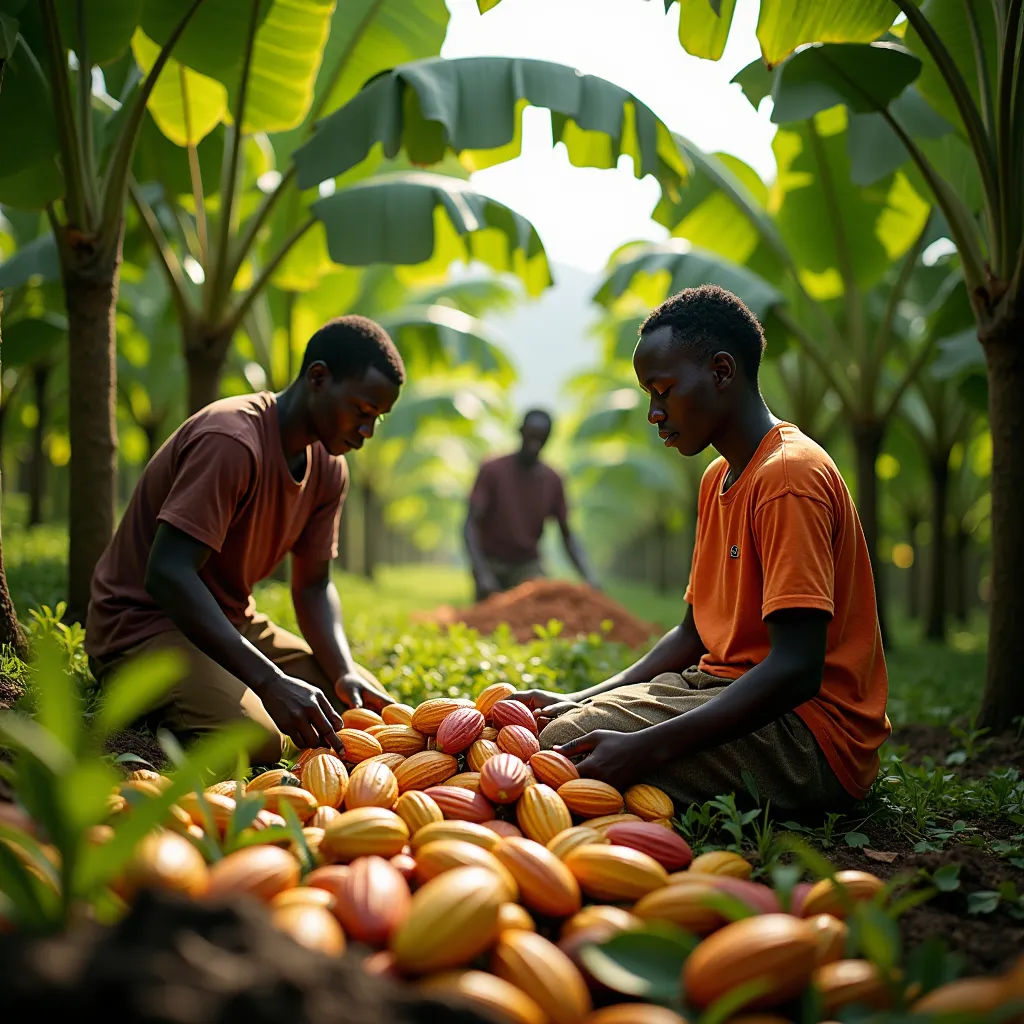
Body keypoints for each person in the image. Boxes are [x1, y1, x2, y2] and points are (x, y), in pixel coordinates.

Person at [517, 286, 889, 817]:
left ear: (720, 371)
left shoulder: (788, 477)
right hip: (720, 688)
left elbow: (797, 669)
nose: (653, 413)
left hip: (808, 736)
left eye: (663, 390)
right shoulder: (719, 478)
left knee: (561, 751)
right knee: (562, 726)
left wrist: (647, 747)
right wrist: (583, 695)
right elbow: (693, 633)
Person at [86, 316, 403, 764]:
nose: (367, 432)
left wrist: (344, 670)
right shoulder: (231, 440)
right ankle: (159, 701)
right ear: (317, 378)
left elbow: (312, 586)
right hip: (145, 628)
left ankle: (228, 683)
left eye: (377, 419)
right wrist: (270, 681)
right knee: (260, 739)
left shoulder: (330, 468)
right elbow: (167, 573)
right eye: (362, 412)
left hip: (228, 623)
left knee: (363, 709)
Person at [464, 409, 597, 602]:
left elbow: (567, 535)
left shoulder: (553, 480)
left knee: (539, 608)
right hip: (491, 562)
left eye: (541, 439)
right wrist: (481, 571)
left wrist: (589, 577)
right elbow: (470, 525)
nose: (535, 445)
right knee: (489, 614)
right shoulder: (492, 470)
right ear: (520, 432)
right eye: (531, 437)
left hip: (527, 564)